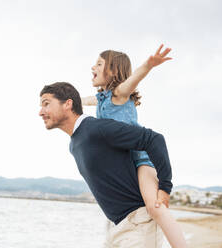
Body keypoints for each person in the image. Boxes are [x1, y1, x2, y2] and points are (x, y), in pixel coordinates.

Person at [39, 82, 181, 247]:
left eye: (46, 104)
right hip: (115, 227)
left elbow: (154, 139)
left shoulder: (95, 129)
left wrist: (165, 187)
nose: (41, 111)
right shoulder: (75, 143)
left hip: (137, 225)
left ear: (68, 104)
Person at [81, 45, 187, 248]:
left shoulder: (120, 93)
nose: (92, 67)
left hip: (141, 158)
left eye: (99, 64)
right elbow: (80, 100)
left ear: (113, 71)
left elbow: (134, 78)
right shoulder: (101, 98)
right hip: (124, 164)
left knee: (154, 206)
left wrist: (149, 64)